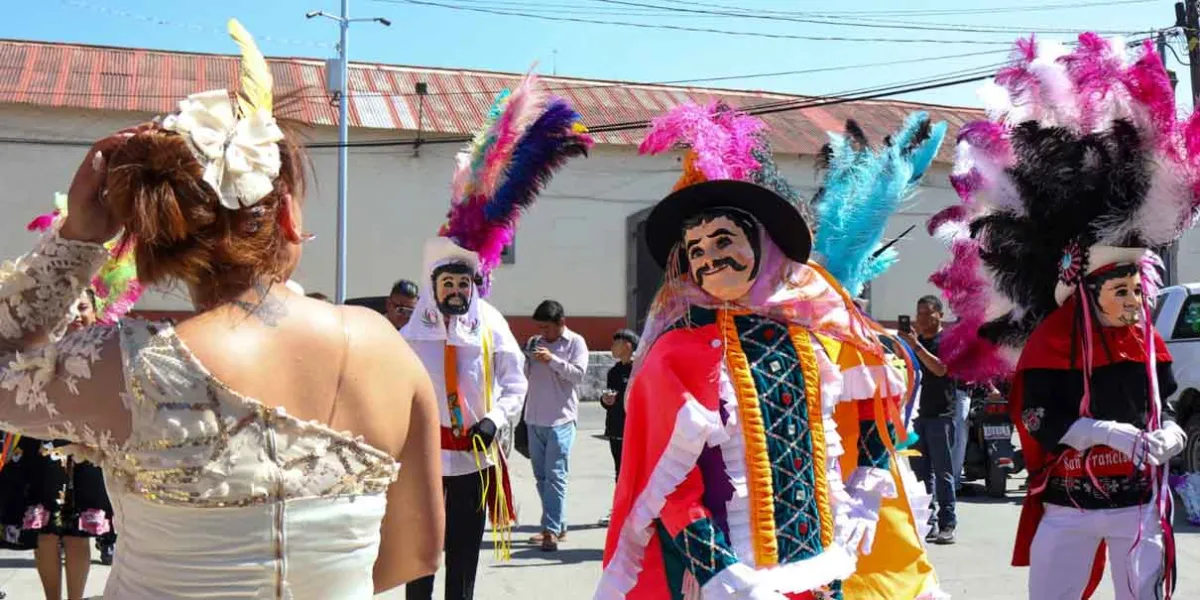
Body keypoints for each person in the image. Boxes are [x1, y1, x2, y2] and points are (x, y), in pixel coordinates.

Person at [0, 20, 442, 598]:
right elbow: (417, 550)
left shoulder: (127, 367)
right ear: (287, 215)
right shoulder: (383, 343)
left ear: (157, 237)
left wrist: (79, 239)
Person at [599, 101, 947, 600]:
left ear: (763, 243)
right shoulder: (674, 354)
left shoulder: (818, 330)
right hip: (735, 575)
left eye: (723, 239)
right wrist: (722, 572)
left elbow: (876, 402)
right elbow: (669, 489)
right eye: (696, 250)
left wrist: (866, 492)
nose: (710, 257)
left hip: (825, 568)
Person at [927, 33, 1195, 600]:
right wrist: (1103, 432)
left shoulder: (1145, 341)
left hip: (1140, 506)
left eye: (1136, 288)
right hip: (1069, 507)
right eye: (1120, 289)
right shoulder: (1053, 339)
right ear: (1088, 289)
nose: (1132, 300)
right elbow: (1040, 418)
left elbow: (1163, 401)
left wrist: (1168, 432)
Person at [401, 70, 591, 598]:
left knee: (464, 555)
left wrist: (495, 418)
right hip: (425, 463)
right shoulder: (412, 330)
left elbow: (514, 381)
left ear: (475, 284)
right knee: (421, 556)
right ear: (434, 285)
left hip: (476, 460)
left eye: (465, 281)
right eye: (448, 281)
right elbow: (393, 385)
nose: (457, 289)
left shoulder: (492, 325)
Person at [524, 300, 589, 552]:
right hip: (534, 418)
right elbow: (523, 375)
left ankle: (550, 530)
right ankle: (557, 524)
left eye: (547, 328)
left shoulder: (576, 343)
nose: (543, 333)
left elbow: (579, 375)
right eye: (539, 327)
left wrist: (552, 359)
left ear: (561, 322)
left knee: (556, 476)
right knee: (541, 477)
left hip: (561, 420)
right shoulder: (534, 342)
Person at [898, 295, 957, 545]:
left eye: (927, 313)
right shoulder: (915, 342)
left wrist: (916, 347)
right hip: (918, 416)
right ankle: (928, 522)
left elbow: (941, 369)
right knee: (922, 474)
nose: (921, 318)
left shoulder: (948, 341)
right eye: (918, 313)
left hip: (941, 415)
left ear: (940, 315)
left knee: (943, 473)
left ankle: (948, 523)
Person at [598, 329, 637, 528]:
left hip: (635, 430)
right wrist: (606, 400)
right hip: (616, 428)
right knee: (619, 471)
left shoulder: (640, 369)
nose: (612, 348)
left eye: (616, 343)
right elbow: (607, 399)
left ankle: (635, 511)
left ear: (628, 345)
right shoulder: (614, 372)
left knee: (635, 473)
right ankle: (620, 511)